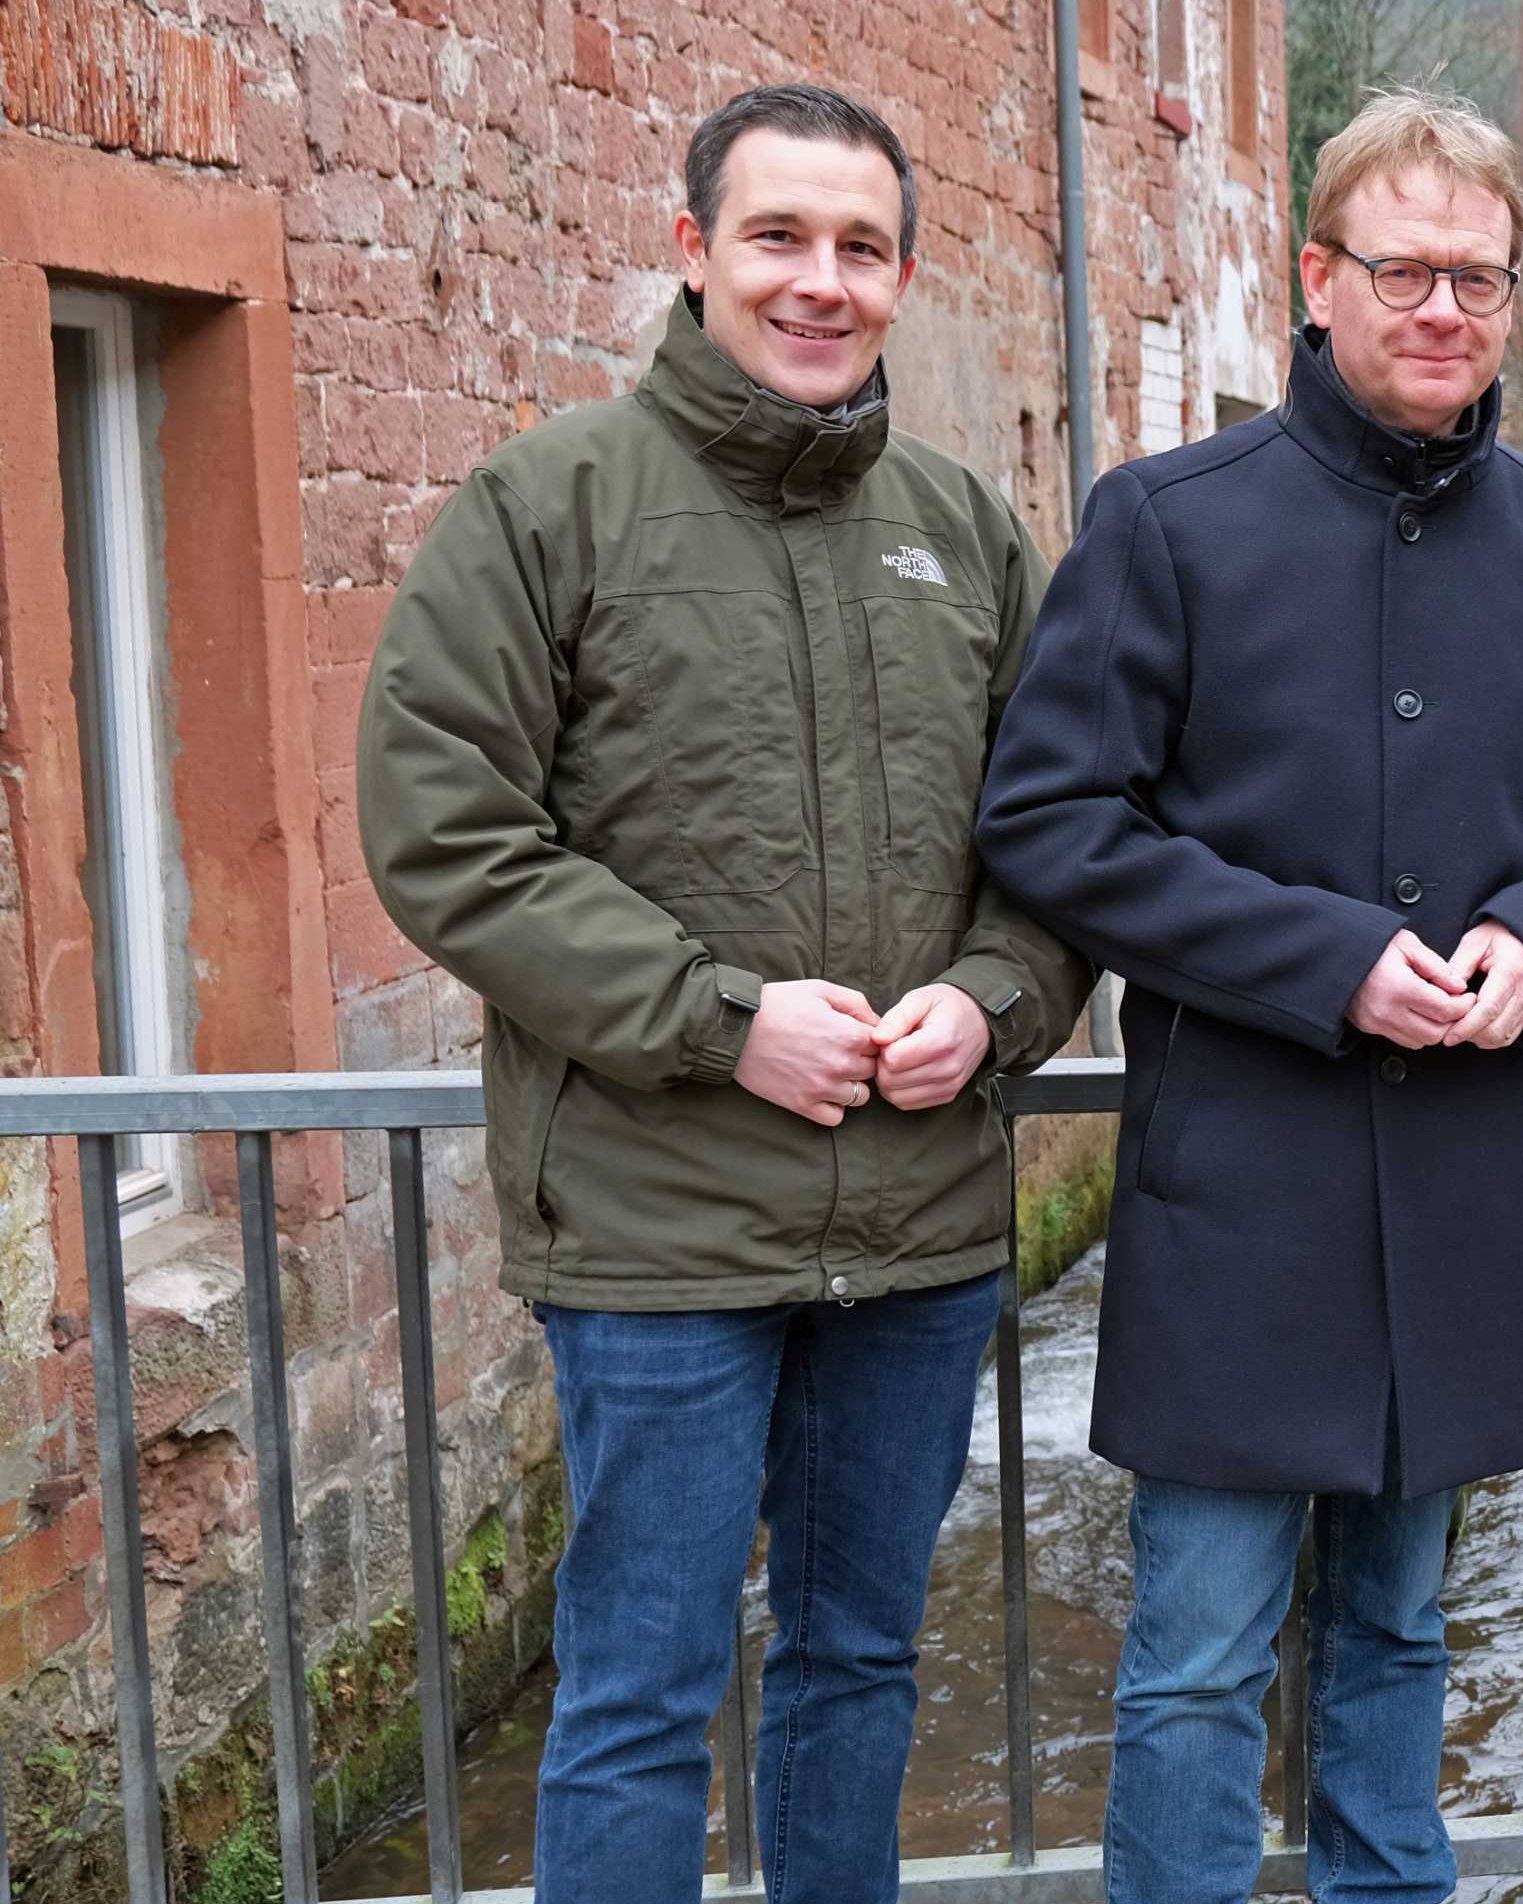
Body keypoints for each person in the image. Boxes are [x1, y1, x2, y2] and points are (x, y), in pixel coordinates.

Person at [357, 83, 1088, 1900]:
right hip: (658, 1232)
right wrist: (717, 1017)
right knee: (634, 1692)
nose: (818, 282)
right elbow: (445, 830)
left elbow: (1068, 843)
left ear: (901, 273)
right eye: (778, 238)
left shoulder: (969, 531)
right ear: (694, 252)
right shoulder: (551, 503)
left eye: (857, 247)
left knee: (858, 1667)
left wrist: (996, 1002)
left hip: (915, 1232)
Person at [972, 87, 1523, 1904]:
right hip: (1248, 1187)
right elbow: (1050, 822)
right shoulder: (1165, 522)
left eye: (1477, 276)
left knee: (1398, 1640)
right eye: (1402, 269)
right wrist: (1326, 962)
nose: (1441, 307)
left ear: (1513, 296)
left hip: (1466, 1179)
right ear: (1317, 278)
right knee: (1199, 1660)